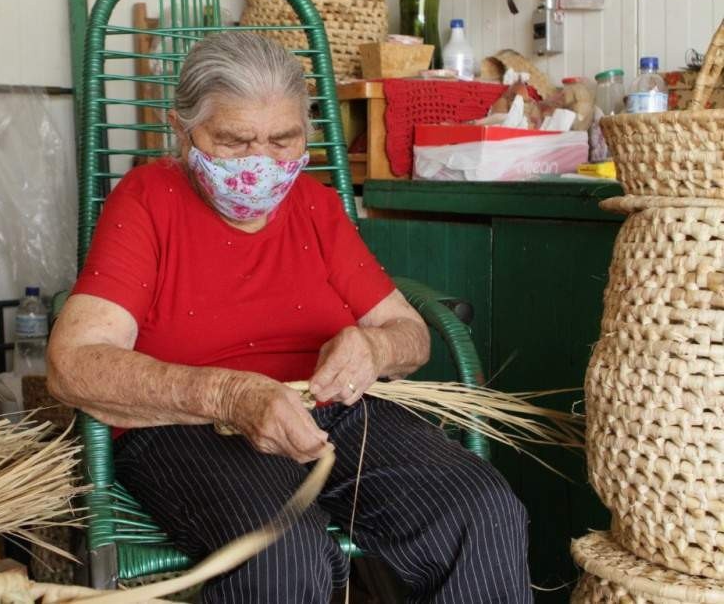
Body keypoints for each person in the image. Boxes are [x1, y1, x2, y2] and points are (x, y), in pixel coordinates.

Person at [48, 31, 531, 603]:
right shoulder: (147, 201)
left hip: (331, 413)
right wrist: (230, 396)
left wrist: (372, 349)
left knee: (482, 509)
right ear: (181, 134)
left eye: (283, 140)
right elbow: (73, 365)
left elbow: (410, 335)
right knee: (281, 554)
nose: (262, 163)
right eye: (233, 140)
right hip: (191, 426)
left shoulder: (316, 205)